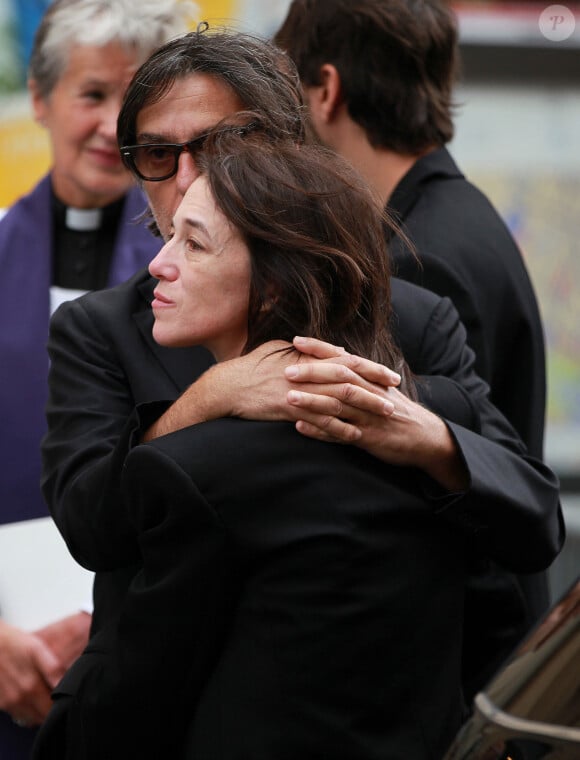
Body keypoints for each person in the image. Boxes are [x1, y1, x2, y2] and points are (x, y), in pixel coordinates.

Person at [37, 29, 562, 750]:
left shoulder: (409, 315)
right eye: (158, 155)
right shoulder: (102, 329)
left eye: (222, 146)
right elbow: (91, 527)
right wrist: (208, 400)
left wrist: (428, 439)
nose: (188, 178)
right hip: (174, 714)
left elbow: (531, 523)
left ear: (288, 150)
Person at [273, 0, 551, 697]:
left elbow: (456, 483)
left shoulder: (418, 260)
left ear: (326, 90)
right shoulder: (459, 215)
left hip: (460, 672)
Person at [0, 0, 196, 754]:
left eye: (137, 101)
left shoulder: (206, 281)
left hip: (155, 657)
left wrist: (113, 627)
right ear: (42, 99)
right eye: (92, 95)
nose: (115, 125)